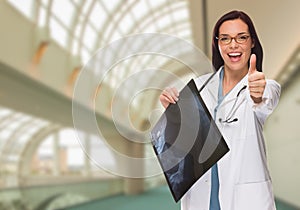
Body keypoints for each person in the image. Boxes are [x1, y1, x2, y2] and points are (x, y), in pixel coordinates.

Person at [159, 10, 281, 210]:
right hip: (201, 196)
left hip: (245, 200)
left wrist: (258, 94)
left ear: (252, 42)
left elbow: (265, 100)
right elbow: (184, 145)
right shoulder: (198, 87)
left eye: (241, 37)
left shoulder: (265, 86)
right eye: (225, 38)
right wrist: (173, 115)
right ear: (218, 44)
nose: (233, 45)